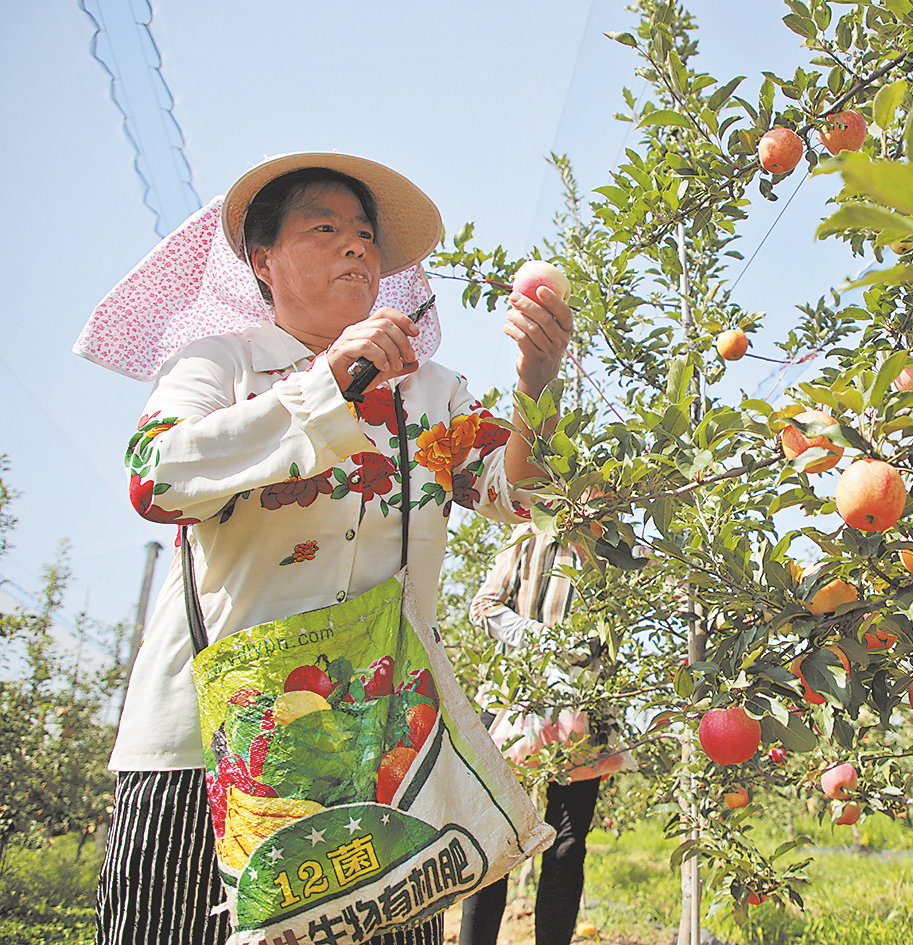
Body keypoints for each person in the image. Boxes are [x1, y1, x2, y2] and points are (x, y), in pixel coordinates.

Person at [76, 152, 573, 945]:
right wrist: (325, 384)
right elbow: (155, 479)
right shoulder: (221, 365)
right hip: (207, 748)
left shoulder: (432, 393)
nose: (357, 248)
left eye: (367, 236)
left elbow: (524, 497)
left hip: (379, 752)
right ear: (263, 260)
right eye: (326, 227)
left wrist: (538, 378)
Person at [459, 524, 633, 945]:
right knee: (492, 840)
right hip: (514, 701)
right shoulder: (528, 537)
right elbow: (482, 606)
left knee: (568, 846)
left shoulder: (615, 549)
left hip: (582, 709)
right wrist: (543, 640)